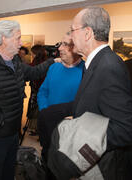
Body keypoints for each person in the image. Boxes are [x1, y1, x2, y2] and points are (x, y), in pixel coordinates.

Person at [51, 6, 132, 179]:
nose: (70, 36)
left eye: (72, 30)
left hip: (107, 170)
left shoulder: (108, 67)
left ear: (87, 33)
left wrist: (80, 136)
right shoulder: (95, 62)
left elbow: (126, 129)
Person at [0, 20, 56, 180]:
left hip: (13, 131)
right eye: (18, 38)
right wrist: (0, 119)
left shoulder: (15, 61)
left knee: (8, 172)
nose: (21, 43)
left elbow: (34, 73)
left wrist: (53, 61)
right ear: (4, 39)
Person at [37, 33, 84, 180]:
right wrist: (45, 111)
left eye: (65, 45)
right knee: (49, 168)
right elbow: (43, 91)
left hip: (71, 134)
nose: (60, 49)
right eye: (60, 44)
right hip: (49, 128)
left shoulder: (86, 71)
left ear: (76, 48)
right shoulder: (54, 68)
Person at [26, 44, 48, 135]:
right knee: (36, 110)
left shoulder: (40, 63)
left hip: (39, 90)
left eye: (33, 53)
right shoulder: (43, 62)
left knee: (37, 110)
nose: (32, 55)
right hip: (36, 89)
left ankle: (39, 130)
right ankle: (37, 129)